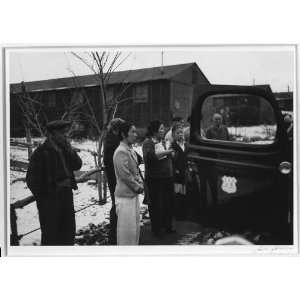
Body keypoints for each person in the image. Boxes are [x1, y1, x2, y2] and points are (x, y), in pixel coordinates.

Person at [26, 120, 82, 245]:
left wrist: (70, 150)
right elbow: (32, 181)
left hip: (66, 197)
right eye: (62, 133)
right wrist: (47, 197)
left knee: (68, 234)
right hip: (50, 202)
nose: (65, 135)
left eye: (65, 133)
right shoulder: (41, 153)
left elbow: (77, 165)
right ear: (52, 134)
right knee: (51, 238)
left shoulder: (65, 149)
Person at [113, 121, 144, 245]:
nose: (135, 135)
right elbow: (125, 175)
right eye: (132, 132)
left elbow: (135, 171)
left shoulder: (129, 149)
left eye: (136, 131)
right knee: (126, 235)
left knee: (134, 231)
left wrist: (140, 182)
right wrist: (138, 187)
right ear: (123, 134)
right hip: (125, 197)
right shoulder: (121, 151)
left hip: (132, 196)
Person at [143, 120, 175, 236]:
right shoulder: (148, 142)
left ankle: (167, 226)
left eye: (163, 128)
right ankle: (157, 229)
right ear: (154, 130)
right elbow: (150, 157)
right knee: (156, 205)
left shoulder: (163, 141)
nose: (163, 131)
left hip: (167, 177)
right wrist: (168, 152)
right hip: (154, 179)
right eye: (161, 129)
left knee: (168, 203)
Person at [103, 118, 125, 245]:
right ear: (117, 129)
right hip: (114, 178)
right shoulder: (113, 142)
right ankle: (114, 235)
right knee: (116, 204)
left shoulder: (113, 140)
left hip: (116, 177)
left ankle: (116, 233)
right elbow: (110, 161)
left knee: (117, 204)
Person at [169, 124, 187, 220]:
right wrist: (175, 169)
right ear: (173, 134)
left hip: (184, 172)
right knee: (177, 193)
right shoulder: (173, 146)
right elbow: (172, 160)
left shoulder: (185, 144)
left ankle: (183, 212)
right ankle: (177, 214)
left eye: (181, 132)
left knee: (183, 192)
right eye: (178, 133)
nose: (180, 134)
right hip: (176, 173)